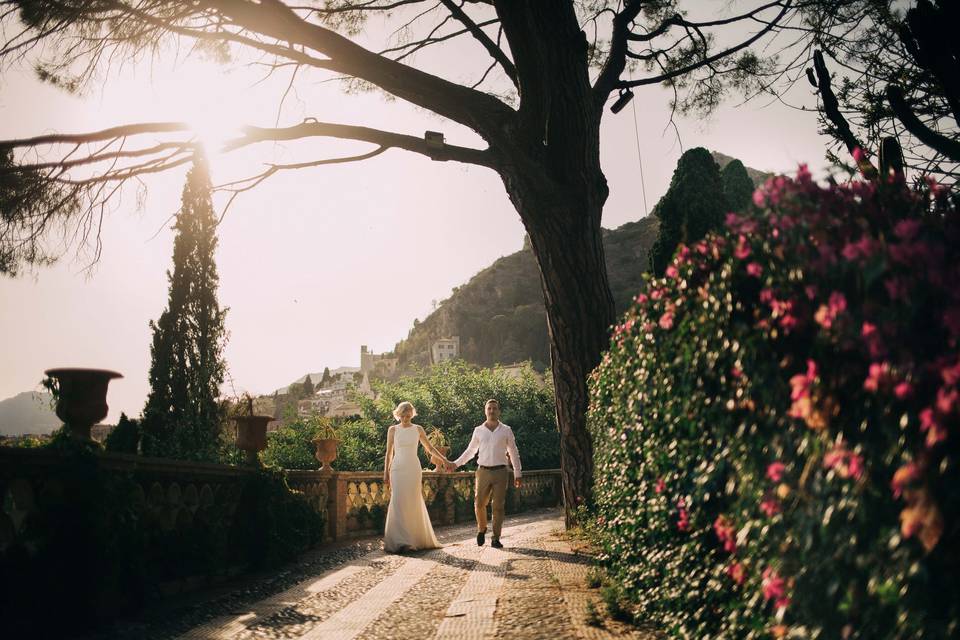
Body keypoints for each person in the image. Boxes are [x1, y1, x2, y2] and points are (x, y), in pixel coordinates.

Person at [447, 398, 522, 548]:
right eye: (489, 408)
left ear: (498, 411)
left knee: (498, 506)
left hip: (501, 472)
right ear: (485, 411)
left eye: (495, 408)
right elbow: (470, 451)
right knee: (479, 503)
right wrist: (456, 463)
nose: (492, 411)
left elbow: (513, 451)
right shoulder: (478, 430)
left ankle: (496, 538)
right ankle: (482, 529)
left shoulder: (506, 430)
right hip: (483, 471)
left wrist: (517, 472)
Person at [382, 401, 450, 553]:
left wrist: (444, 460)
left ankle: (413, 539)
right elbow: (389, 453)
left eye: (408, 416)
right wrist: (386, 472)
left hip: (413, 468)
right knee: (398, 500)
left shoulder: (418, 429)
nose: (406, 419)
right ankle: (401, 541)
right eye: (403, 416)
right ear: (398, 415)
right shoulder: (392, 430)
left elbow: (430, 448)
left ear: (412, 414)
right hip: (397, 469)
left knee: (413, 500)